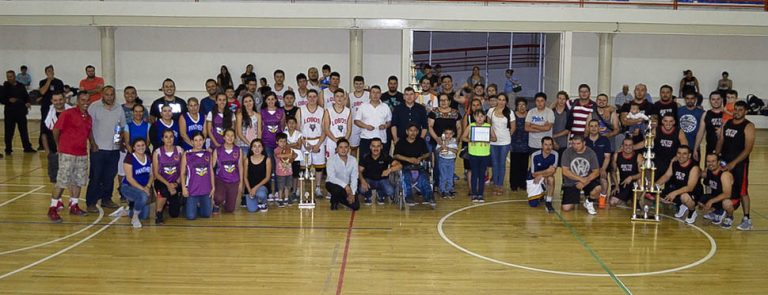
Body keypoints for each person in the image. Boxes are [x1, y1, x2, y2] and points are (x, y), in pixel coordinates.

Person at [48, 92, 92, 222]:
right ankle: (53, 208)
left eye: (88, 100)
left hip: (82, 153)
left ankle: (74, 205)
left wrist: (93, 144)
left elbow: (88, 133)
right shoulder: (68, 113)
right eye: (83, 100)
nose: (86, 102)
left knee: (78, 181)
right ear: (78, 100)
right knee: (62, 181)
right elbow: (56, 130)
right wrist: (58, 145)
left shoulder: (88, 117)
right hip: (67, 152)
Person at [716, 101, 755, 231]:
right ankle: (727, 214)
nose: (737, 112)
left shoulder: (748, 126)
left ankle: (747, 219)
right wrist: (716, 156)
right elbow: (721, 140)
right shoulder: (728, 123)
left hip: (739, 165)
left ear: (746, 111)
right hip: (724, 162)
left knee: (742, 190)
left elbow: (748, 149)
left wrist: (734, 163)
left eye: (740, 110)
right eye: (735, 109)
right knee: (724, 187)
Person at [85, 86, 124, 213]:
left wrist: (117, 143)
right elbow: (88, 127)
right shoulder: (94, 107)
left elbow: (120, 127)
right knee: (96, 176)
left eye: (111, 94)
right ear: (102, 95)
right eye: (107, 94)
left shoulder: (119, 108)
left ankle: (106, 199)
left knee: (109, 176)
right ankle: (91, 202)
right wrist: (92, 143)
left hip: (113, 149)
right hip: (98, 149)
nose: (109, 97)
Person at [427, 92, 463, 193]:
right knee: (439, 164)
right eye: (441, 100)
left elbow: (459, 127)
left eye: (445, 100)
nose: (443, 102)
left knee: (450, 165)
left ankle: (449, 186)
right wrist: (436, 138)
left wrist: (457, 139)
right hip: (438, 142)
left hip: (452, 143)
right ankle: (439, 185)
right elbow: (430, 126)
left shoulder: (455, 113)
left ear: (450, 101)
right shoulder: (433, 112)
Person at [656, 145, 701, 224]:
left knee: (684, 197)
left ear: (689, 155)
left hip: (693, 192)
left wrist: (674, 193)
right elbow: (666, 176)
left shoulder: (694, 167)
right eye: (679, 153)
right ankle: (682, 205)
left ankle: (692, 211)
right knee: (658, 194)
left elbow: (690, 187)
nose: (681, 156)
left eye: (684, 154)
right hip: (679, 189)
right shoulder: (674, 163)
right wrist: (654, 186)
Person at [393, 123, 434, 206]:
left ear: (418, 132)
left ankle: (429, 197)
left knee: (424, 177)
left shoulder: (421, 141)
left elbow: (427, 154)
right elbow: (395, 155)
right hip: (405, 167)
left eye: (415, 131)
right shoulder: (401, 142)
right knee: (406, 177)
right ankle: (408, 197)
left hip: (418, 166)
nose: (413, 133)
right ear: (407, 132)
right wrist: (408, 159)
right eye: (411, 131)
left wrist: (420, 158)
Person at [560, 135, 601, 214]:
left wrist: (585, 182)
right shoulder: (567, 152)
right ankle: (575, 197)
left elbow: (596, 172)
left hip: (587, 180)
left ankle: (589, 202)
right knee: (566, 208)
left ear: (584, 143)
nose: (575, 146)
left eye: (578, 144)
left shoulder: (591, 153)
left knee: (598, 188)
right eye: (573, 144)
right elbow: (565, 171)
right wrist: (581, 179)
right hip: (571, 181)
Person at [119, 138, 154, 228]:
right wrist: (144, 189)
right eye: (138, 146)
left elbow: (152, 174)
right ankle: (134, 218)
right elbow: (130, 179)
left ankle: (129, 211)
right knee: (143, 196)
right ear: (133, 147)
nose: (141, 147)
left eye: (143, 145)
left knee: (144, 216)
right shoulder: (129, 158)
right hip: (128, 187)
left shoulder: (148, 157)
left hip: (144, 187)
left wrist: (148, 186)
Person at [42, 92, 71, 197]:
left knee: (70, 178)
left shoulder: (71, 113)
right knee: (55, 178)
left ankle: (73, 202)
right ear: (52, 101)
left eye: (60, 99)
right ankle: (57, 201)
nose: (58, 102)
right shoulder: (48, 114)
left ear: (64, 99)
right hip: (54, 152)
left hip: (69, 152)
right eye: (55, 100)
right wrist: (48, 152)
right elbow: (44, 134)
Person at [299, 89, 327, 199]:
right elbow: (297, 129)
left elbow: (325, 129)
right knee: (303, 166)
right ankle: (301, 189)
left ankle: (318, 188)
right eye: (309, 96)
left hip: (318, 140)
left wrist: (318, 144)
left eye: (314, 96)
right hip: (305, 141)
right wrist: (303, 143)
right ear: (306, 97)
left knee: (319, 167)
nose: (312, 99)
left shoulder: (322, 111)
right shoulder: (300, 110)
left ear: (317, 98)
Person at [180, 132, 214, 220]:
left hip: (205, 189)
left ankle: (197, 206)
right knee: (191, 217)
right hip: (192, 189)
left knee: (206, 214)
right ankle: (187, 206)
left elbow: (211, 171)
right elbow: (182, 173)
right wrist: (184, 188)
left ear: (203, 141)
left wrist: (213, 187)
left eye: (200, 140)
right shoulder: (187, 154)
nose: (198, 143)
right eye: (195, 140)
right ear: (191, 142)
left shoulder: (208, 154)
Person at [152, 129, 184, 224]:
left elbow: (183, 170)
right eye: (166, 137)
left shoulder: (179, 150)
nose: (169, 139)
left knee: (174, 214)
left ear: (174, 138)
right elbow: (156, 173)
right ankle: (158, 213)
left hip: (176, 182)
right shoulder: (157, 152)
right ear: (162, 139)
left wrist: (176, 183)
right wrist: (168, 185)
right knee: (164, 191)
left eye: (171, 136)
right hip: (162, 181)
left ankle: (173, 199)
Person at [463, 109, 495, 203]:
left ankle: (480, 194)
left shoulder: (488, 126)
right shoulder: (471, 126)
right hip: (473, 154)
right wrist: (470, 140)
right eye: (478, 116)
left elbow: (495, 138)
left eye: (482, 116)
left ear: (485, 117)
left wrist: (487, 138)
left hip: (484, 154)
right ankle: (474, 194)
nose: (480, 118)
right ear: (474, 117)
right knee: (474, 174)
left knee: (482, 175)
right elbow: (463, 138)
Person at [359, 138, 400, 205]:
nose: (376, 148)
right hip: (369, 180)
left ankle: (380, 193)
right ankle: (368, 195)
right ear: (370, 147)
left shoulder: (385, 156)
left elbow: (399, 165)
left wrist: (389, 170)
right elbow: (359, 171)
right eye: (373, 146)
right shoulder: (365, 156)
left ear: (381, 147)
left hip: (382, 180)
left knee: (390, 191)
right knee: (361, 189)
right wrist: (362, 180)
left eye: (378, 146)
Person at [2, 70, 35, 154]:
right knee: (9, 131)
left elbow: (26, 96)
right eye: (8, 77)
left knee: (23, 130)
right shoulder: (5, 87)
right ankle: (8, 149)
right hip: (10, 112)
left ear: (14, 76)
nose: (9, 78)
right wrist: (9, 100)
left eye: (11, 76)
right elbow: (2, 99)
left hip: (21, 111)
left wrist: (28, 102)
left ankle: (27, 147)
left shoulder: (21, 86)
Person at [699, 153, 735, 228]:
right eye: (708, 161)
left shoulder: (724, 174)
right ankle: (717, 211)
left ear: (718, 162)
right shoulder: (708, 170)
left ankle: (729, 216)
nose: (710, 164)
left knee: (726, 203)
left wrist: (711, 201)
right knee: (700, 201)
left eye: (713, 161)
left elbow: (727, 194)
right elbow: (702, 175)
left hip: (731, 198)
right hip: (717, 195)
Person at [649, 113, 688, 182]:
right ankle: (651, 190)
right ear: (662, 121)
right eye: (666, 121)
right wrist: (633, 147)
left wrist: (677, 157)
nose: (668, 123)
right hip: (657, 161)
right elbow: (645, 143)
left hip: (672, 160)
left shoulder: (679, 131)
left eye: (671, 121)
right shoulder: (656, 130)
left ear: (674, 122)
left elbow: (685, 148)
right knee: (650, 177)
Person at [212, 129, 243, 213]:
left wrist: (241, 182)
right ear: (224, 137)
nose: (230, 137)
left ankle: (226, 199)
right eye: (227, 135)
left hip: (233, 181)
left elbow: (240, 166)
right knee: (218, 198)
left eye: (232, 135)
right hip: (220, 180)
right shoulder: (217, 150)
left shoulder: (238, 150)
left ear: (235, 138)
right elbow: (211, 167)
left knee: (230, 210)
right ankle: (216, 204)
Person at [356, 85, 392, 159]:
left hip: (381, 139)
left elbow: (389, 122)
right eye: (373, 92)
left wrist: (385, 126)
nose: (375, 95)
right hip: (366, 139)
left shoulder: (385, 107)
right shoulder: (363, 106)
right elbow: (356, 121)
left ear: (380, 94)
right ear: (370, 94)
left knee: (381, 165)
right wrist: (366, 126)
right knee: (364, 164)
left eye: (377, 93)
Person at [487, 94, 513, 195]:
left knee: (501, 163)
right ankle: (495, 184)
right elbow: (488, 125)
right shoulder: (491, 111)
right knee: (494, 163)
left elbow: (513, 127)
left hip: (505, 142)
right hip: (493, 142)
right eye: (499, 99)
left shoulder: (510, 112)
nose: (501, 101)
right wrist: (491, 137)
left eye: (503, 100)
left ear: (506, 101)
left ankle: (500, 185)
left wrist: (506, 136)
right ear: (497, 100)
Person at [326, 138, 360, 211]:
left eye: (346, 147)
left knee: (355, 206)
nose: (343, 149)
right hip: (333, 184)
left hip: (348, 186)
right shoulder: (331, 160)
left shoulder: (353, 160)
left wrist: (352, 194)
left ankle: (338, 199)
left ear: (349, 148)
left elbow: (354, 177)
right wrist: (345, 186)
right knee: (336, 189)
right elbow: (331, 178)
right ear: (337, 149)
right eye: (341, 147)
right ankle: (334, 201)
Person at [585, 120, 613, 208]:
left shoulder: (605, 140)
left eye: (595, 126)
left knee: (604, 181)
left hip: (600, 168)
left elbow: (607, 157)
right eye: (591, 126)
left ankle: (602, 201)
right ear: (588, 128)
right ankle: (587, 196)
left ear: (599, 128)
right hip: (587, 170)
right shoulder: (584, 141)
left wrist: (603, 169)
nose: (593, 128)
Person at [38, 65, 65, 150]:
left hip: (59, 107)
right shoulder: (43, 82)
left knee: (59, 125)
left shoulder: (59, 82)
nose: (50, 72)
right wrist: (49, 80)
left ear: (53, 71)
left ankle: (59, 142)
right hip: (46, 107)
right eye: (48, 71)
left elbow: (62, 94)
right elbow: (42, 92)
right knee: (44, 126)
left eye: (51, 70)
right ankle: (43, 145)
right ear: (46, 73)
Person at [611, 137, 644, 207]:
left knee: (641, 181)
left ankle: (636, 200)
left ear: (633, 146)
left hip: (635, 184)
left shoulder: (638, 156)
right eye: (626, 145)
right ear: (622, 146)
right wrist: (616, 185)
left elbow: (642, 173)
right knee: (612, 202)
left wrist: (631, 177)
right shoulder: (617, 155)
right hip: (623, 183)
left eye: (630, 145)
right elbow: (613, 172)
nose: (628, 147)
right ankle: (627, 200)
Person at [529, 137, 558, 212]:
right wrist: (547, 171)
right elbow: (533, 174)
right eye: (546, 145)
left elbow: (552, 171)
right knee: (533, 204)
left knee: (551, 179)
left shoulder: (555, 154)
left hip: (545, 177)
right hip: (534, 178)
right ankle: (541, 193)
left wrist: (541, 175)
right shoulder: (535, 155)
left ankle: (548, 202)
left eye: (550, 145)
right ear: (541, 146)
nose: (548, 147)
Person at [324, 88, 352, 160]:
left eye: (341, 96)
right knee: (330, 163)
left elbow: (349, 129)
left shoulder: (348, 111)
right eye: (337, 96)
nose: (339, 98)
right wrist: (336, 141)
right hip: (332, 140)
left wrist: (344, 141)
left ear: (344, 98)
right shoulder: (328, 111)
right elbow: (326, 129)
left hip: (344, 140)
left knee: (344, 163)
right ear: (334, 98)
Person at [245, 139, 271, 212]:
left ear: (262, 148)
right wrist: (249, 190)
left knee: (261, 194)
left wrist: (255, 188)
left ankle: (263, 202)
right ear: (251, 148)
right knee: (252, 210)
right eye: (254, 146)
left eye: (259, 146)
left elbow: (267, 178)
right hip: (250, 187)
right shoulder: (247, 160)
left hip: (262, 186)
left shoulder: (267, 159)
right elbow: (245, 177)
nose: (257, 149)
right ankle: (257, 199)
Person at [678, 92, 705, 162]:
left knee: (695, 170)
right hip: (680, 147)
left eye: (692, 98)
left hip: (695, 147)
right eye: (687, 98)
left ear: (695, 99)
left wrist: (696, 148)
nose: (690, 100)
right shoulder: (679, 111)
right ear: (684, 99)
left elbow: (702, 131)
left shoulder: (701, 112)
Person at [509, 98, 530, 191]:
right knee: (514, 166)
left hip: (526, 144)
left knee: (524, 165)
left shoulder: (529, 115)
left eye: (523, 105)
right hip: (515, 144)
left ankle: (522, 183)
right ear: (516, 106)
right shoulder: (512, 115)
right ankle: (513, 184)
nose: (522, 107)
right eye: (519, 105)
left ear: (526, 106)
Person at [261, 91, 285, 159]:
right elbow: (260, 127)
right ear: (265, 100)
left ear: (276, 100)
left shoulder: (281, 111)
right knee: (270, 163)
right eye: (268, 99)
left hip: (279, 143)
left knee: (279, 163)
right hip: (266, 142)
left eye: (272, 99)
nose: (270, 101)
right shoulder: (262, 111)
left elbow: (282, 126)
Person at [274, 133, 296, 207]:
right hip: (280, 173)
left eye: (284, 141)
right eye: (281, 141)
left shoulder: (289, 149)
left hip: (289, 172)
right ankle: (280, 199)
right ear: (277, 142)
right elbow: (278, 155)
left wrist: (293, 156)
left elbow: (295, 155)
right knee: (280, 187)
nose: (283, 143)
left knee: (288, 186)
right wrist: (288, 155)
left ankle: (286, 198)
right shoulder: (276, 150)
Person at [435, 129, 458, 199]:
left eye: (450, 133)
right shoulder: (441, 141)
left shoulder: (454, 141)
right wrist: (442, 146)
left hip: (451, 160)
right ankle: (443, 190)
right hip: (443, 160)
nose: (448, 135)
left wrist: (448, 148)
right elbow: (437, 151)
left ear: (453, 134)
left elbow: (456, 151)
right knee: (443, 176)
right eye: (446, 133)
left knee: (450, 176)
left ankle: (449, 189)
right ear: (443, 134)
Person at [348, 76, 369, 154]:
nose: (358, 86)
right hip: (354, 125)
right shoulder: (349, 96)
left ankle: (365, 166)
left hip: (366, 124)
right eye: (356, 84)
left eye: (360, 84)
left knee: (366, 148)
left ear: (363, 84)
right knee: (353, 148)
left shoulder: (368, 95)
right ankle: (353, 166)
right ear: (353, 85)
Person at [285, 117, 303, 201]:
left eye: (293, 123)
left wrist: (289, 144)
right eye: (289, 122)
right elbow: (283, 146)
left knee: (295, 175)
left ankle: (294, 192)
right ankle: (287, 192)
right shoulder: (284, 134)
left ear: (296, 124)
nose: (291, 124)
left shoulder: (299, 133)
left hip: (297, 157)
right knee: (287, 175)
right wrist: (294, 143)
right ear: (286, 124)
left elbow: (299, 146)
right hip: (286, 157)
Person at [551, 91, 571, 163]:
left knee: (562, 165)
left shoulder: (568, 112)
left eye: (563, 99)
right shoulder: (551, 111)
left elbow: (568, 129)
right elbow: (548, 128)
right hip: (550, 144)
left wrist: (555, 135)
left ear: (566, 100)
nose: (561, 101)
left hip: (563, 144)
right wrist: (553, 140)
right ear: (557, 99)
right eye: (559, 98)